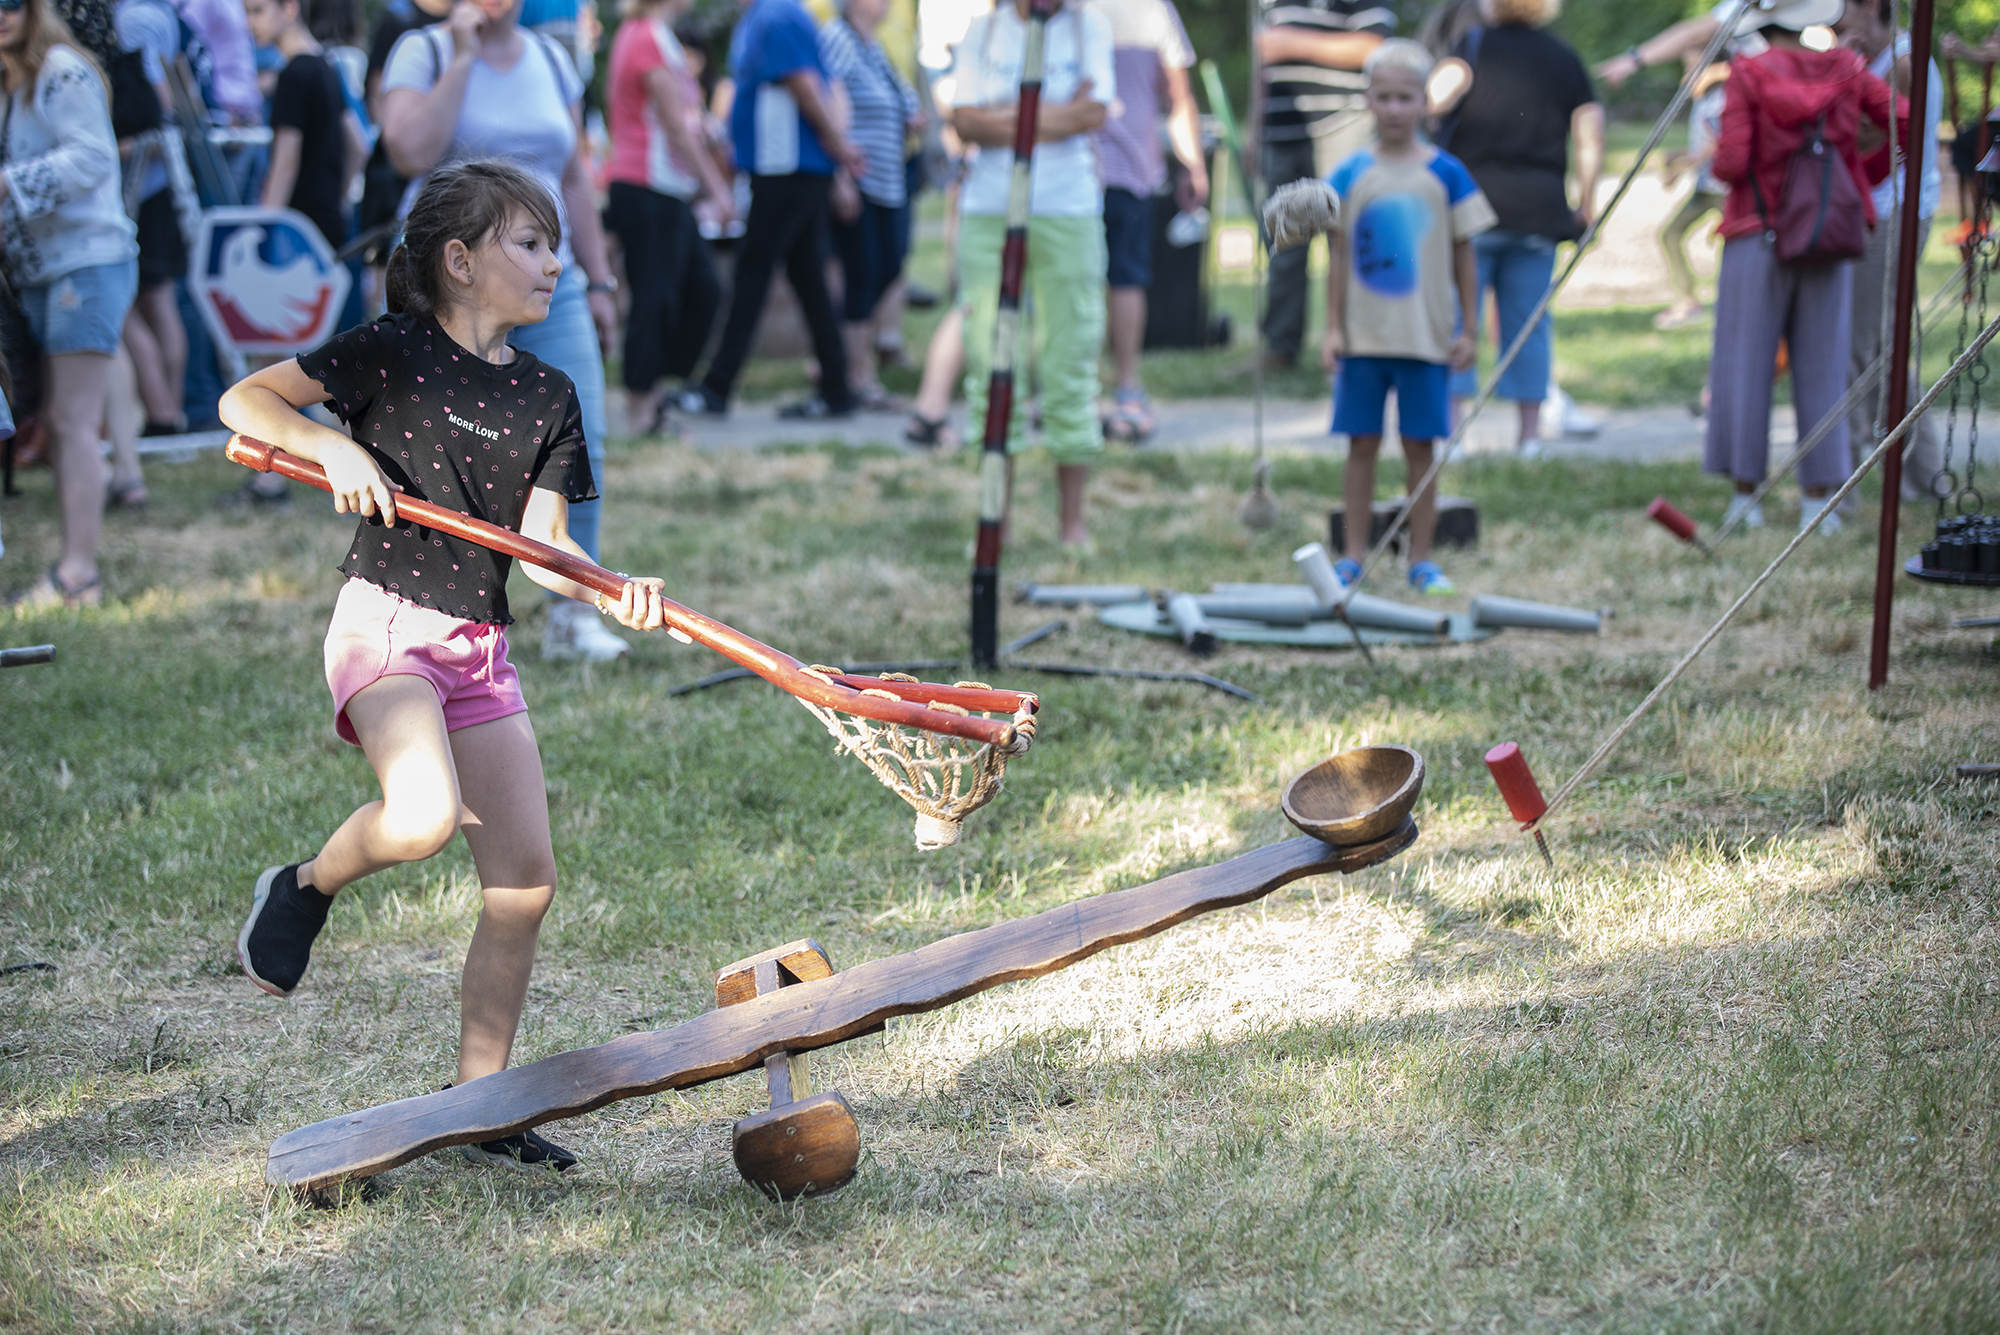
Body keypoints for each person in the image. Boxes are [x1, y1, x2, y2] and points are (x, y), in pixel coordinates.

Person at [221, 162, 669, 1170]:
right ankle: (302, 887)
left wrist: (609, 588)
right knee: (420, 817)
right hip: (386, 626)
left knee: (523, 885)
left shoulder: (549, 395)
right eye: (529, 243)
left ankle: (484, 1106)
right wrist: (330, 450)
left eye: (555, 244)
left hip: (480, 648)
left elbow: (545, 551)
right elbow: (243, 402)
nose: (557, 262)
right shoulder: (390, 354)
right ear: (458, 261)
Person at [381, 0, 630, 663]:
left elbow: (574, 174)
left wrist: (599, 280)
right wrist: (462, 55)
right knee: (445, 454)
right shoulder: (425, 52)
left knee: (581, 445)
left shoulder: (551, 57)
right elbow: (407, 150)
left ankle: (574, 618)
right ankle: (442, 616)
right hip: (453, 286)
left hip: (555, 281)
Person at [1704, 0, 1892, 535]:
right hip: (1828, 232)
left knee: (1746, 368)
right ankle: (1818, 502)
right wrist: (1858, 175)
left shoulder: (1748, 72)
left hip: (1755, 231)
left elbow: (1732, 162)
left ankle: (1747, 500)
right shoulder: (1848, 68)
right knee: (1823, 367)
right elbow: (1901, 120)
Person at [1320, 39, 1494, 595]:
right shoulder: (1349, 173)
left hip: (1426, 340)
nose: (1395, 109)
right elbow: (1338, 255)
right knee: (1361, 445)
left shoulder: (1448, 173)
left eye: (1406, 98)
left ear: (1426, 102)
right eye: (1384, 97)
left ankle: (1421, 559)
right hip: (1364, 340)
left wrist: (1469, 327)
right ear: (1368, 100)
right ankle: (1352, 555)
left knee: (1421, 447)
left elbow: (1466, 251)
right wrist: (1331, 327)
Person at [950, 0, 1111, 546]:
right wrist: (1050, 117)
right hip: (989, 208)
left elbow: (1093, 114)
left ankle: (1074, 523)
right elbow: (963, 120)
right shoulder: (983, 29)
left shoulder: (1089, 27)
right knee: (992, 361)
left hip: (1068, 208)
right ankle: (995, 519)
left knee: (1071, 356)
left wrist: (1004, 117)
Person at [2, 0, 140, 609]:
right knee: (66, 419)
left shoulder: (60, 68)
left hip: (84, 264)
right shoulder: (12, 80)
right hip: (41, 270)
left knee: (70, 421)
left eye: (12, 2)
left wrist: (6, 184)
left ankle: (79, 573)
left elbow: (91, 159)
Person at [1429, 0, 1602, 460]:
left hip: (1471, 210)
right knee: (1529, 325)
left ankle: (1453, 435)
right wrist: (1587, 201)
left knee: (1458, 318)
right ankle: (1528, 438)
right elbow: (1590, 129)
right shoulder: (1563, 56)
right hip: (1539, 211)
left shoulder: (1470, 45)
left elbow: (1434, 100)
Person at [677, 0, 864, 420]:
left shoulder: (777, 15)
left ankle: (716, 388)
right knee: (808, 280)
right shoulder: (770, 14)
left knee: (752, 276)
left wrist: (838, 147)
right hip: (786, 169)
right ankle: (837, 390)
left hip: (786, 170)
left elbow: (805, 84)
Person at [604, 0, 732, 434]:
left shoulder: (657, 37)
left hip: (666, 190)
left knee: (704, 290)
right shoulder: (645, 36)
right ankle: (643, 409)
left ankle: (657, 392)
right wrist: (717, 186)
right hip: (646, 186)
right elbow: (674, 126)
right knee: (653, 299)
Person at [1838, 0, 1945, 506]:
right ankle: (1921, 477)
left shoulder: (1902, 61)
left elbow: (1875, 144)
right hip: (1886, 210)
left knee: (1862, 349)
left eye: (1847, 11)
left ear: (1873, 10)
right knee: (1882, 349)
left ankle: (1848, 482)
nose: (1837, 23)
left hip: (1894, 213)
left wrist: (1844, 73)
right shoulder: (1886, 59)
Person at [1092, 0, 1204, 443]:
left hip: (1082, 169)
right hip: (1125, 168)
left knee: (1079, 280)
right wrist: (1192, 165)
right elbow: (1178, 96)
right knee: (1126, 278)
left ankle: (1079, 389)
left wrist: (1191, 164)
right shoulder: (1153, 10)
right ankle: (1126, 388)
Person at [1255, 0, 1388, 370]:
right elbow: (1263, 60)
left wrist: (1291, 43)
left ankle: (1352, 346)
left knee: (1346, 240)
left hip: (1341, 125)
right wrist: (1256, 126)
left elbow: (1374, 46)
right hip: (1281, 130)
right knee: (1282, 239)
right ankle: (1279, 348)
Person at [821, 0, 922, 411]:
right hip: (859, 180)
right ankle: (857, 375)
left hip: (887, 182)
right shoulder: (838, 40)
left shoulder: (871, 45)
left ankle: (847, 362)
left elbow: (903, 102)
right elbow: (828, 105)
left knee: (888, 266)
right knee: (862, 275)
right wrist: (839, 175)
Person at [113, 0, 188, 437]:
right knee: (156, 303)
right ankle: (168, 410)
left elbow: (161, 105)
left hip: (146, 187)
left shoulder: (135, 18)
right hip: (153, 184)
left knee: (143, 303)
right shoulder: (155, 14)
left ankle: (164, 411)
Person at [244, 0, 363, 253]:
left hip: (296, 232)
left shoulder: (293, 75)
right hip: (327, 224)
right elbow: (358, 146)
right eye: (246, 12)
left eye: (257, 11)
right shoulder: (326, 67)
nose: (249, 23)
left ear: (289, 8)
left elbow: (285, 163)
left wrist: (265, 231)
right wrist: (334, 200)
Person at [1654, 61, 1729, 331]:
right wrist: (1675, 156)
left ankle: (1729, 305)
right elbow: (1701, 144)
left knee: (1730, 246)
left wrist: (1680, 166)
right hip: (1704, 186)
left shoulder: (1720, 99)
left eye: (1693, 68)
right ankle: (1687, 297)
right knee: (1670, 234)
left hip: (1723, 189)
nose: (1686, 76)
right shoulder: (1704, 101)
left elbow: (1713, 146)